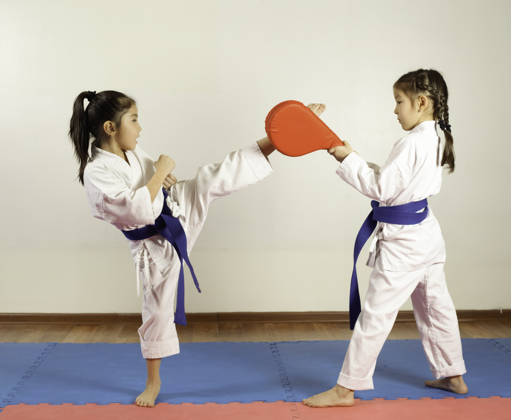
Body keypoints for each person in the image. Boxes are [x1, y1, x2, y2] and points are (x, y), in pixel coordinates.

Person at [68, 90, 325, 407]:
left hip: (175, 208)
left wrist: (163, 177)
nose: (139, 128)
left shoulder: (129, 152)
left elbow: (152, 183)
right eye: (133, 120)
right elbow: (138, 210)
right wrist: (160, 171)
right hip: (153, 246)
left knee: (212, 177)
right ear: (110, 127)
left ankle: (283, 134)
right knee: (158, 312)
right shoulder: (97, 172)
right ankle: (153, 382)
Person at [303, 69, 467, 408]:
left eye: (399, 101)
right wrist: (353, 156)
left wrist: (348, 159)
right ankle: (453, 374)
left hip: (404, 246)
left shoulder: (411, 142)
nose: (395, 110)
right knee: (437, 307)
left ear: (421, 103)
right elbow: (399, 183)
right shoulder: (435, 134)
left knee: (375, 316)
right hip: (427, 237)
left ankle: (345, 389)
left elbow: (381, 189)